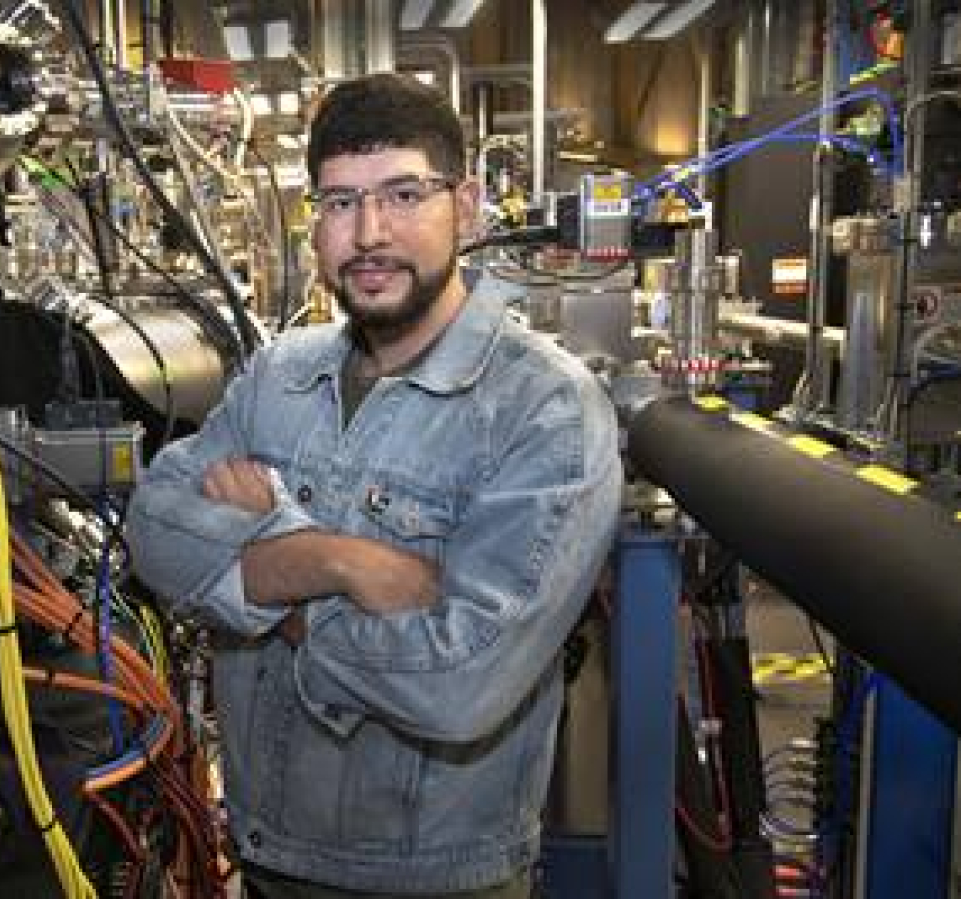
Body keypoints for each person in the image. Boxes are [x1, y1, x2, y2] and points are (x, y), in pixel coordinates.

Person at [126, 73, 622, 898]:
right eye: (339, 202)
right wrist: (335, 558)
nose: (369, 232)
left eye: (402, 194)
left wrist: (265, 586)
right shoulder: (279, 375)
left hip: (432, 878)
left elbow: (461, 684)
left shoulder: (547, 410)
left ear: (464, 207)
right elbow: (154, 530)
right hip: (267, 853)